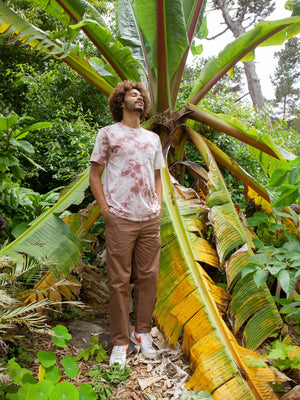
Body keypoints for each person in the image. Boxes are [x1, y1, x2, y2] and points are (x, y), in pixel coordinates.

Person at [89, 80, 164, 369]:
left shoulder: (152, 139)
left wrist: (158, 206)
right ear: (121, 102)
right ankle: (120, 343)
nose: (140, 98)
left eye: (142, 95)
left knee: (148, 278)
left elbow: (158, 175)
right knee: (119, 282)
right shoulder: (108, 134)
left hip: (149, 219)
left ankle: (141, 332)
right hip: (119, 219)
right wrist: (106, 211)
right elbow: (95, 176)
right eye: (133, 94)